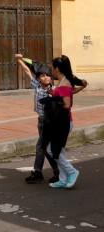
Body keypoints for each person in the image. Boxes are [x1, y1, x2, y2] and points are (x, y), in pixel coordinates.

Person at [41, 55, 87, 189]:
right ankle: (63, 178)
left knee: (51, 150)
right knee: (59, 150)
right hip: (60, 121)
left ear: (57, 68)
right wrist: (54, 93)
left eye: (52, 68)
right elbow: (71, 93)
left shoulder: (64, 83)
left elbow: (66, 104)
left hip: (62, 122)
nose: (51, 71)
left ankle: (72, 171)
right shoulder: (63, 82)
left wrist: (51, 100)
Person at [15, 53, 59, 184]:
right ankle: (55, 171)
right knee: (45, 148)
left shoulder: (54, 90)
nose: (45, 78)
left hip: (49, 123)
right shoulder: (37, 86)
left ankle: (39, 171)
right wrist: (19, 60)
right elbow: (27, 70)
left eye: (47, 75)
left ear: (51, 78)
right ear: (38, 79)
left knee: (42, 147)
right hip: (41, 121)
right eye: (42, 76)